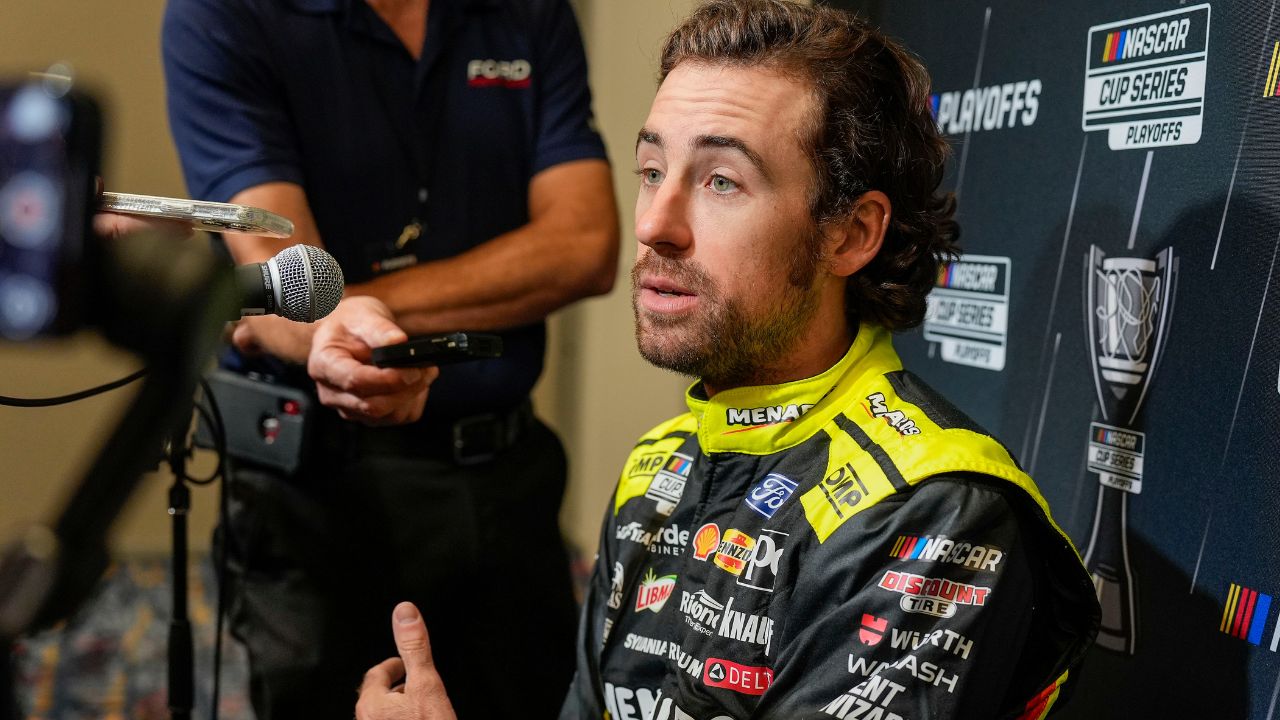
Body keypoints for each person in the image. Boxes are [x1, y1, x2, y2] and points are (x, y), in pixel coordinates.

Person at [347, 1, 1101, 718]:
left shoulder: (936, 511)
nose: (654, 224)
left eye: (720, 181)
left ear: (850, 234)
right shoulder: (658, 465)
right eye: (651, 171)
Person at [160, 0, 620, 716]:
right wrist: (322, 322)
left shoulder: (532, 13)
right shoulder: (222, 14)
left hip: (502, 479)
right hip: (318, 493)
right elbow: (283, 266)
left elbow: (585, 246)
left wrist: (349, 310)